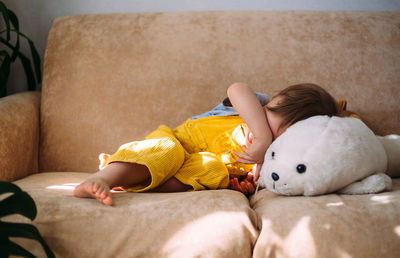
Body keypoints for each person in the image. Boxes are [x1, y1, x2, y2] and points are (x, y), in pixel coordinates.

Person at [74, 82, 339, 205]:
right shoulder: (253, 106)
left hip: (199, 165)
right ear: (273, 104)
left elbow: (254, 179)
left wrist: (245, 183)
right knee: (165, 152)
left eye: (279, 137)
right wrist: (261, 136)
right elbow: (236, 88)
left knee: (213, 171)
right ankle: (104, 177)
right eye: (271, 123)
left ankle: (130, 177)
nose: (271, 138)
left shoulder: (274, 158)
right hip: (178, 142)